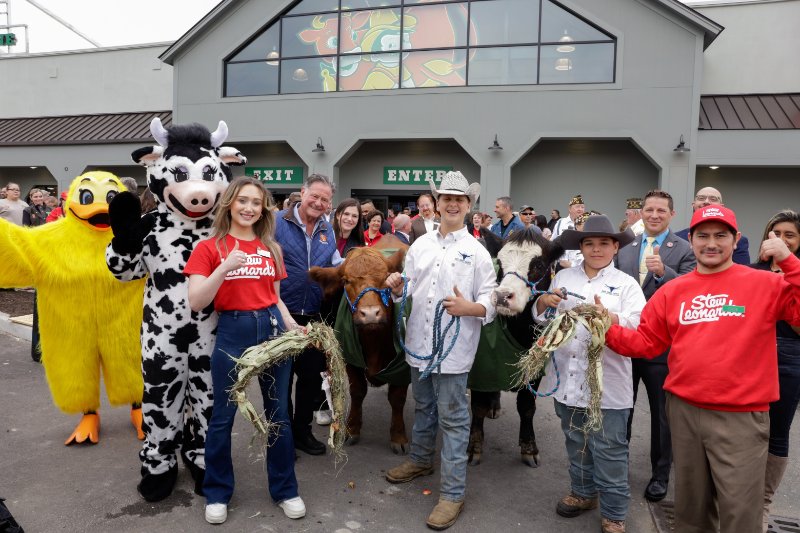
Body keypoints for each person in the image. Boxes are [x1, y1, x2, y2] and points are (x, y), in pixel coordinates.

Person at [603, 205, 800, 533]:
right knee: (692, 511)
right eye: (703, 236)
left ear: (736, 240)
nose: (712, 243)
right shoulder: (672, 291)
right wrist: (605, 328)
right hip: (685, 411)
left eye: (720, 235)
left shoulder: (765, 284)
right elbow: (646, 343)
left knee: (740, 514)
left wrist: (790, 263)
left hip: (742, 415)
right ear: (691, 240)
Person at [185, 177, 305, 524]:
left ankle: (286, 489)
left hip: (271, 330)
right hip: (233, 331)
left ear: (263, 209)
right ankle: (218, 492)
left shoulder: (272, 248)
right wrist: (224, 267)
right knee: (223, 415)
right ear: (229, 204)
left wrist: (291, 326)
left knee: (279, 413)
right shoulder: (209, 248)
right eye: (243, 201)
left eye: (256, 202)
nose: (249, 208)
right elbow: (196, 301)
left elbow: (276, 297)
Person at [385, 171, 496, 531]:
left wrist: (472, 309)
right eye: (446, 198)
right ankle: (420, 459)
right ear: (437, 203)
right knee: (425, 405)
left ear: (468, 206)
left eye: (459, 199)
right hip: (418, 344)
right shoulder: (419, 246)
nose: (452, 204)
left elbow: (490, 302)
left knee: (453, 419)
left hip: (453, 350)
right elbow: (409, 293)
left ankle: (452, 493)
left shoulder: (477, 252)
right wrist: (397, 289)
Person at [535, 214, 644, 533]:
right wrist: (543, 301)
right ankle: (583, 493)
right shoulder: (564, 279)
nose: (596, 249)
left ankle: (614, 512)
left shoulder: (627, 285)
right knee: (575, 441)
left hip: (607, 385)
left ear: (614, 247)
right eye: (589, 243)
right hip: (567, 379)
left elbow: (640, 326)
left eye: (603, 243)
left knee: (609, 448)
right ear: (581, 247)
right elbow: (543, 319)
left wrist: (610, 316)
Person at [614, 189, 695, 503]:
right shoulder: (626, 249)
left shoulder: (685, 249)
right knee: (622, 409)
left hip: (662, 347)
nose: (654, 215)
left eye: (662, 210)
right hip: (627, 343)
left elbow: (690, 290)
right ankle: (616, 467)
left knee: (663, 417)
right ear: (641, 213)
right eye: (649, 210)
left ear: (672, 215)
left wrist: (665, 273)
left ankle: (660, 475)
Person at [275, 174, 342, 456]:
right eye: (314, 195)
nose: (319, 202)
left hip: (313, 317)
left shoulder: (328, 229)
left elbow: (337, 264)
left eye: (325, 199)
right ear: (302, 192)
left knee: (310, 378)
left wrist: (366, 263)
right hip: (280, 312)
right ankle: (282, 437)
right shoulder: (277, 222)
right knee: (280, 379)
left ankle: (302, 431)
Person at [749, 210, 800, 530]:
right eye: (776, 233)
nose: (781, 240)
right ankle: (737, 498)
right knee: (745, 430)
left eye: (790, 235)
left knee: (777, 433)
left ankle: (763, 505)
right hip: (750, 358)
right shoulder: (752, 272)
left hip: (789, 360)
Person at [675, 186, 750, 264]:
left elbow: (741, 271)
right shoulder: (676, 239)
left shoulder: (739, 242)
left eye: (713, 199)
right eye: (701, 198)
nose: (706, 201)